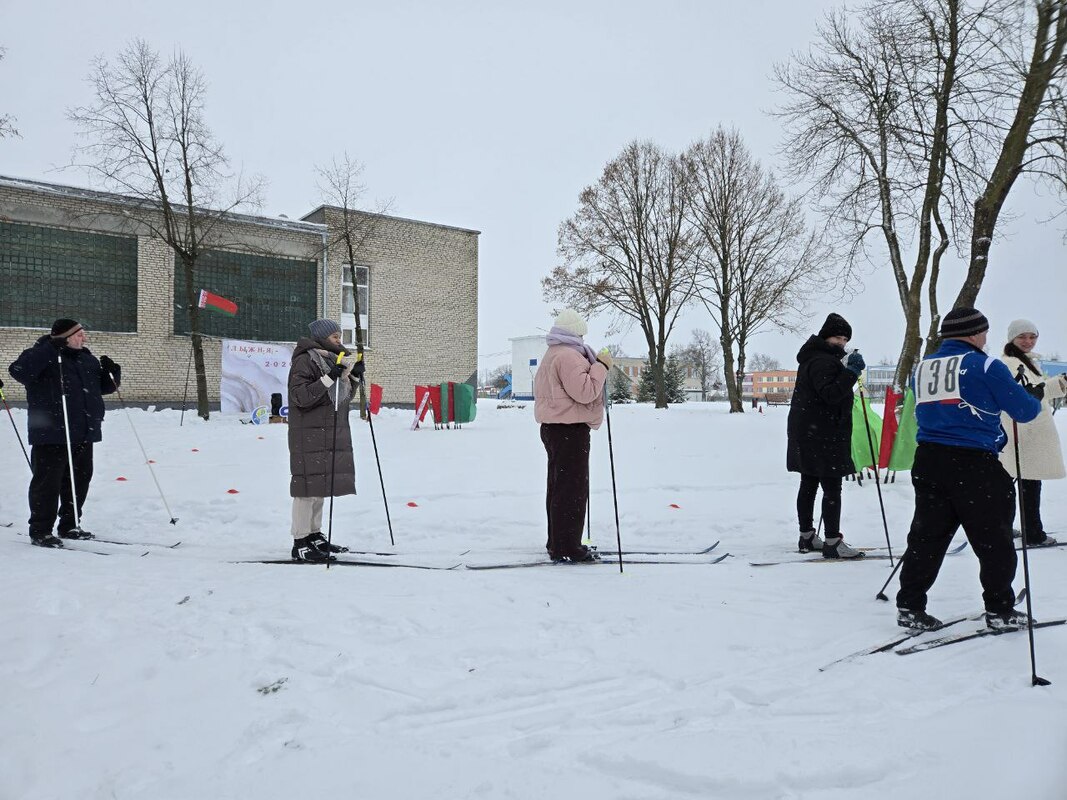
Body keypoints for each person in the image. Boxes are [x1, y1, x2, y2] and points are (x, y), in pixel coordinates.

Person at [896, 307, 1042, 631]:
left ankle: (909, 604)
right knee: (994, 539)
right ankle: (1000, 608)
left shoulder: (922, 367)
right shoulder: (985, 364)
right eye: (985, 333)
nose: (986, 340)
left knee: (927, 536)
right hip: (973, 462)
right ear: (976, 334)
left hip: (930, 458)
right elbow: (1024, 410)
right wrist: (1032, 396)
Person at [8, 319, 121, 547]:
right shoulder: (42, 354)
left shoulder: (86, 358)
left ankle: (69, 524)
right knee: (47, 483)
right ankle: (41, 530)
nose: (84, 338)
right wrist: (52, 347)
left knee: (79, 481)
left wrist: (113, 373)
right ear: (66, 336)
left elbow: (103, 388)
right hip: (52, 434)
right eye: (79, 335)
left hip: (83, 433)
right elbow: (19, 371)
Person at [533, 309, 611, 563]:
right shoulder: (569, 356)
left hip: (555, 427)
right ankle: (567, 547)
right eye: (581, 332)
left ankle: (557, 541)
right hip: (569, 429)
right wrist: (601, 367)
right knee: (572, 489)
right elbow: (586, 392)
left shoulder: (553, 353)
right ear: (574, 332)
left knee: (558, 487)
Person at [786, 313, 866, 558]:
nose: (841, 343)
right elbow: (831, 394)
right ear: (825, 336)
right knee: (832, 487)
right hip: (824, 434)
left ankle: (807, 536)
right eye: (837, 337)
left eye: (844, 339)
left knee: (809, 482)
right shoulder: (824, 361)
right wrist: (852, 372)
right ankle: (832, 541)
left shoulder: (813, 358)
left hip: (810, 431)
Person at [286, 319, 365, 562]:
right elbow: (300, 396)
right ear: (321, 338)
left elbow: (340, 399)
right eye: (334, 337)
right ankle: (300, 541)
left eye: (340, 337)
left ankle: (314, 535)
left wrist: (353, 379)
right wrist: (330, 377)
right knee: (306, 488)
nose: (339, 341)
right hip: (308, 432)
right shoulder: (305, 360)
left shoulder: (332, 359)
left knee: (319, 486)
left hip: (327, 431)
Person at [998, 319, 1066, 547]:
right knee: (1022, 483)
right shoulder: (1009, 363)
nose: (1028, 341)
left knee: (1020, 483)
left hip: (1029, 429)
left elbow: (1035, 390)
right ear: (1012, 339)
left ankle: (1005, 527)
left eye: (1032, 336)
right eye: (1022, 337)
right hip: (1021, 430)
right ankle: (1031, 532)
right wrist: (1058, 384)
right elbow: (1026, 393)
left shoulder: (1027, 362)